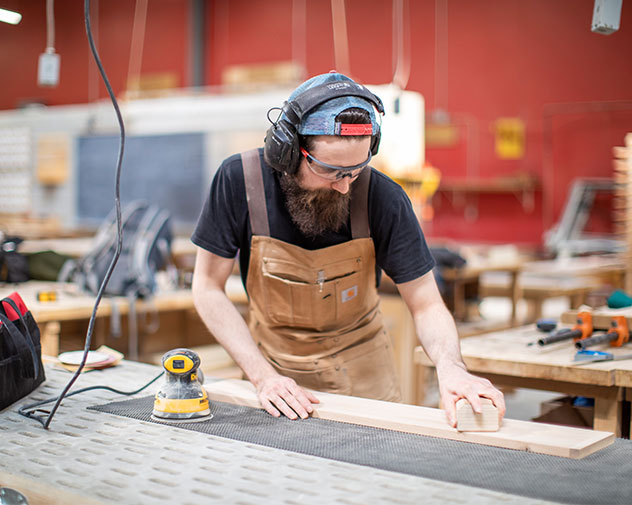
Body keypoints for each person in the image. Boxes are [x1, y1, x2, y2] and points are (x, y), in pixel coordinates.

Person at [191, 72, 505, 427]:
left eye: (355, 171)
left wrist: (452, 370)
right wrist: (262, 376)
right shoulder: (239, 181)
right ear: (289, 151)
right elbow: (207, 287)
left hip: (365, 378)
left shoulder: (382, 197)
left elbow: (427, 303)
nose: (344, 188)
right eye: (330, 171)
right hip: (276, 378)